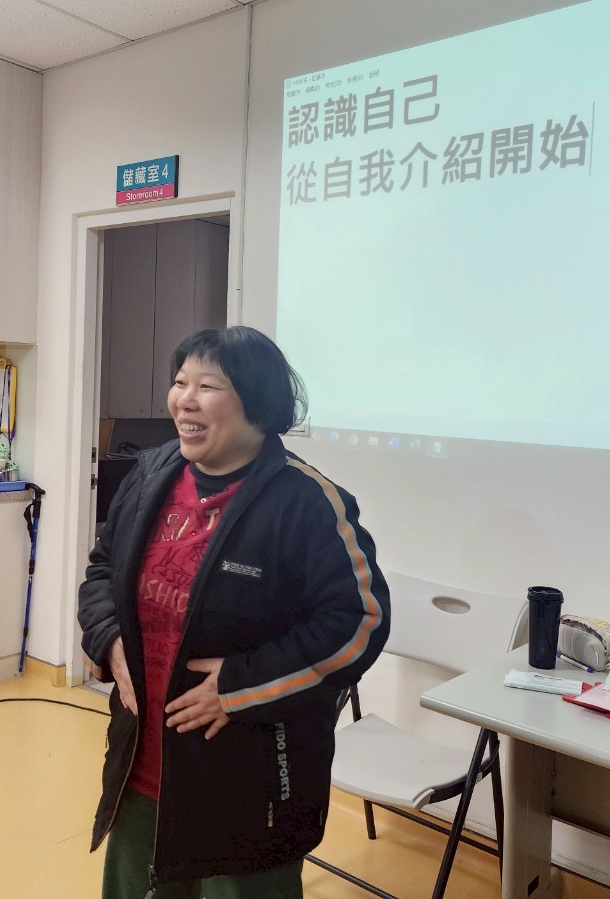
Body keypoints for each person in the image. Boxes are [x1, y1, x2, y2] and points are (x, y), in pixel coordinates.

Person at [78, 326, 391, 899]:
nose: (184, 400)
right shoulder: (150, 474)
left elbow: (358, 623)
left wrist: (241, 687)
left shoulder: (307, 501)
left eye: (207, 386)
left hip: (248, 781)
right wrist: (110, 641)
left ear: (258, 404)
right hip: (142, 766)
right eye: (179, 382)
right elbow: (102, 570)